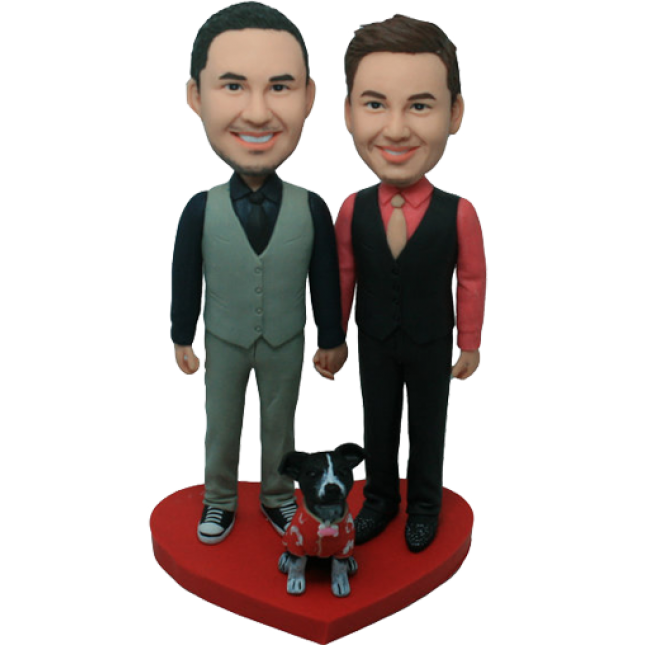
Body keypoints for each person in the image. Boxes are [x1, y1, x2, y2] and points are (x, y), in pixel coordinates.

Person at [171, 1, 348, 544]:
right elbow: (185, 277)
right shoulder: (199, 209)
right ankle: (219, 498)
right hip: (223, 338)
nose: (255, 113)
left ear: (308, 97)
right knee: (221, 423)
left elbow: (325, 278)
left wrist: (332, 338)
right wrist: (181, 336)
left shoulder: (311, 206)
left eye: (279, 86)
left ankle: (277, 495)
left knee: (280, 423)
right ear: (196, 97)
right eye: (232, 86)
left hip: (285, 339)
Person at [335, 14, 487, 552]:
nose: (397, 130)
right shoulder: (352, 209)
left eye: (420, 105)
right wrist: (334, 336)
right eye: (376, 104)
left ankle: (424, 506)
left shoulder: (458, 212)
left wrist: (470, 341)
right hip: (375, 339)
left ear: (455, 113)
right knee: (376, 423)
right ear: (349, 112)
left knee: (428, 427)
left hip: (430, 342)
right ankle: (379, 500)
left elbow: (472, 279)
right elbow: (343, 274)